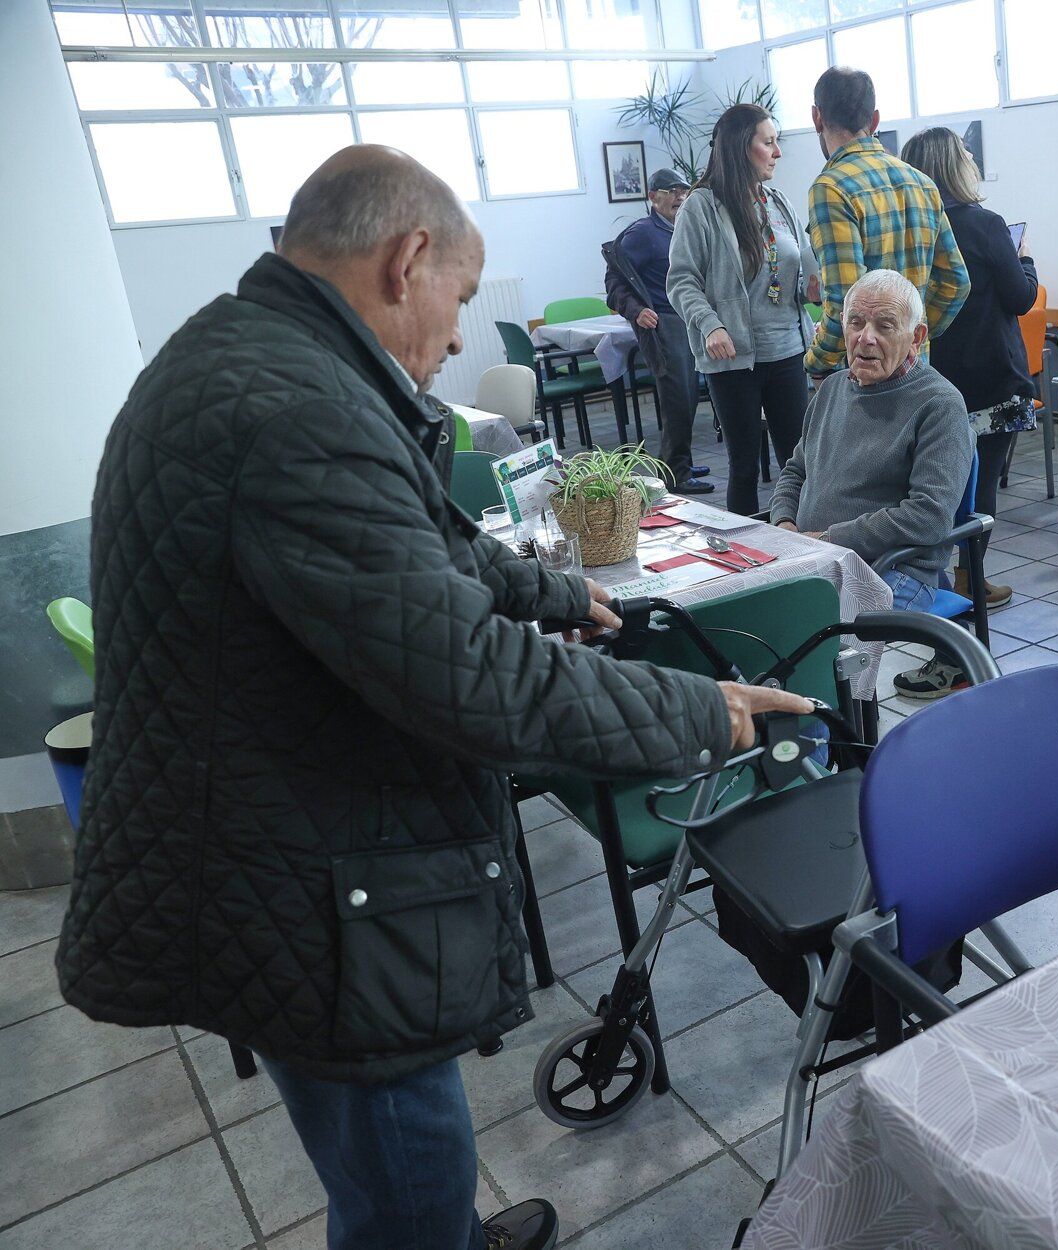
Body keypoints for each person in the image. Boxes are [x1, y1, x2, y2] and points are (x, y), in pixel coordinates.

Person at [56, 145, 809, 1250]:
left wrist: (548, 588)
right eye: (458, 298)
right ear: (407, 260)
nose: (459, 336)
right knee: (402, 1171)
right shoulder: (295, 410)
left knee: (395, 1161)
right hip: (297, 874)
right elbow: (469, 673)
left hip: (270, 828)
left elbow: (402, 546)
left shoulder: (254, 356)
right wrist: (697, 711)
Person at [769, 269, 973, 697]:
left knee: (807, 641)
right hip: (812, 555)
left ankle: (834, 733)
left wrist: (829, 539)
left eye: (885, 325)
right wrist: (784, 525)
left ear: (916, 337)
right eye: (856, 322)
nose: (866, 338)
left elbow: (929, 516)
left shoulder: (939, 404)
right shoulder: (831, 390)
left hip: (892, 568)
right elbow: (795, 470)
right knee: (747, 620)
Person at [900, 125, 1037, 621]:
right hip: (991, 378)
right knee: (982, 486)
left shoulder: (910, 227)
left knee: (933, 484)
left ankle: (927, 580)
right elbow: (1020, 297)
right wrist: (1027, 261)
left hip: (929, 378)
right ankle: (969, 578)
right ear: (956, 165)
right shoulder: (985, 224)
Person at [668, 104, 820, 516]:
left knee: (799, 461)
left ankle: (804, 540)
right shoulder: (701, 207)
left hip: (788, 349)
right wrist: (710, 325)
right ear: (740, 147)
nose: (778, 152)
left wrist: (814, 287)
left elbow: (799, 268)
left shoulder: (778, 202)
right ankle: (746, 550)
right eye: (768, 143)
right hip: (733, 357)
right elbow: (681, 280)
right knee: (744, 465)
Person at [805, 67, 970, 379]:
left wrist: (816, 360)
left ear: (817, 117)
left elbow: (844, 299)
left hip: (862, 374)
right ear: (875, 120)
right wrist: (906, 336)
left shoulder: (831, 188)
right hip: (915, 369)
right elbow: (956, 281)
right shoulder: (921, 182)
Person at [603, 168, 711, 494]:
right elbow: (614, 280)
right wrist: (636, 311)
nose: (680, 197)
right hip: (666, 323)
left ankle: (678, 463)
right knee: (678, 399)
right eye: (671, 191)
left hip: (689, 320)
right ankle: (676, 473)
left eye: (683, 190)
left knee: (689, 396)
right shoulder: (642, 234)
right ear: (653, 197)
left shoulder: (683, 227)